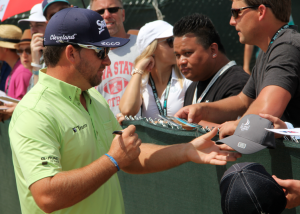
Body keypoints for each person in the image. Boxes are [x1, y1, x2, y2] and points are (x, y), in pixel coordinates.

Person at [9, 8, 241, 214]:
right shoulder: (34, 111)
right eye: (100, 52)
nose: (107, 62)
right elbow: (47, 195)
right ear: (71, 53)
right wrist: (111, 161)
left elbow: (128, 156)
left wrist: (186, 150)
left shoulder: (92, 97)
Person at [175, 0, 300, 139]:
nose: (231, 21)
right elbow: (243, 101)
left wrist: (238, 125)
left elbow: (265, 111)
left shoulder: (287, 46)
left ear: (261, 12)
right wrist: (201, 109)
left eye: (236, 12)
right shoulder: (270, 49)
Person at [173, 14, 249, 109]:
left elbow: (233, 124)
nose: (181, 61)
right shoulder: (192, 88)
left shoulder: (238, 84)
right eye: (177, 55)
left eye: (188, 53)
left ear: (213, 50)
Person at [119, 20, 192, 118]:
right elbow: (127, 110)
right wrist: (139, 68)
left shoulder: (187, 77)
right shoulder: (141, 81)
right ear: (153, 48)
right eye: (171, 41)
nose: (177, 46)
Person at [90, 0, 139, 116]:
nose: (106, 15)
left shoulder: (142, 46)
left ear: (123, 14)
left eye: (112, 10)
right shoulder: (87, 53)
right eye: (100, 12)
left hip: (138, 130)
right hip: (103, 130)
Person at [18, 3, 47, 86]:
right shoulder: (40, 54)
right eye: (31, 26)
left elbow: (40, 94)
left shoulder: (58, 55)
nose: (33, 30)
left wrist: (36, 64)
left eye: (39, 25)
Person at [0, 25, 31, 100]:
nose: (24, 54)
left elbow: (21, 106)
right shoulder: (16, 68)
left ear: (5, 48)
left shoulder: (22, 72)